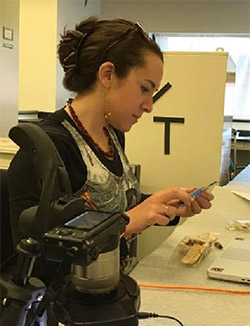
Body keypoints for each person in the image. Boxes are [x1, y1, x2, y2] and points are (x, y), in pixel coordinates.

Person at [8, 16, 214, 279]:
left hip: (110, 292)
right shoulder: (46, 148)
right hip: (63, 311)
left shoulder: (112, 133)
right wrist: (126, 225)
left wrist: (160, 206)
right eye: (144, 89)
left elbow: (107, 206)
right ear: (107, 74)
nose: (149, 105)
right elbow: (35, 262)